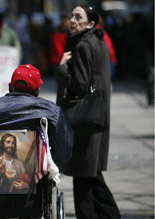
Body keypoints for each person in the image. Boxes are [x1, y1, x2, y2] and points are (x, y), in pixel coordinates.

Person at [0, 64, 73, 191]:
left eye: (12, 142)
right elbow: (64, 151)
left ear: (10, 87)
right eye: (8, 142)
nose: (11, 145)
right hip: (35, 199)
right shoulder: (52, 112)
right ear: (38, 91)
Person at [55, 5, 121, 219]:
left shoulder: (83, 45)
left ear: (90, 23)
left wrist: (63, 67)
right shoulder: (97, 41)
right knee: (92, 177)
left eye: (78, 17)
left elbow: (79, 85)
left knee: (84, 177)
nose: (72, 20)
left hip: (85, 121)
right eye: (71, 16)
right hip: (96, 118)